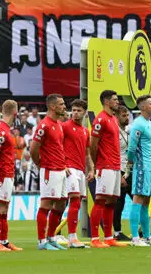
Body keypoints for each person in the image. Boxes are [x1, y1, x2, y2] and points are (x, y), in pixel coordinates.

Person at [88, 90, 128, 248]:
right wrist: (98, 162)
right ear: (106, 101)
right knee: (100, 200)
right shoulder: (100, 119)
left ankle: (109, 237)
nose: (117, 102)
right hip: (105, 165)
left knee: (111, 201)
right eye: (115, 100)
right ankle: (95, 238)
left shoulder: (113, 118)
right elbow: (93, 145)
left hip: (115, 165)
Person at [30, 93, 69, 251]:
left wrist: (64, 164)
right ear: (52, 106)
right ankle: (41, 242)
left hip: (61, 169)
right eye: (61, 104)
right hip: (50, 170)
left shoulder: (58, 124)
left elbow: (58, 148)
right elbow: (33, 149)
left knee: (60, 205)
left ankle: (51, 238)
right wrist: (40, 164)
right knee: (46, 205)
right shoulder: (44, 125)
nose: (64, 106)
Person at [0, 100, 24, 252]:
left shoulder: (4, 129)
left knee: (4, 208)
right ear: (15, 114)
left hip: (7, 174)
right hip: (1, 174)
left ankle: (4, 241)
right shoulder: (1, 130)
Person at [59, 99, 92, 249]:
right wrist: (63, 164)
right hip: (69, 168)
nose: (75, 113)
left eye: (79, 110)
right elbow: (57, 146)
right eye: (74, 110)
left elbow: (87, 154)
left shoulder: (86, 131)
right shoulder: (64, 127)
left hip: (80, 170)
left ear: (85, 112)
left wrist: (91, 169)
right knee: (74, 201)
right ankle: (71, 237)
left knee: (77, 203)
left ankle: (70, 236)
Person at [125, 95, 151, 247]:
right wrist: (132, 163)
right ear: (143, 107)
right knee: (137, 199)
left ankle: (147, 236)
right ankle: (135, 238)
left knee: (145, 201)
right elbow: (131, 148)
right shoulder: (138, 124)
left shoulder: (150, 123)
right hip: (142, 167)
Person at [112, 105, 132, 242]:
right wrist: (119, 175)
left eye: (127, 116)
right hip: (119, 170)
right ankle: (116, 232)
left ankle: (142, 230)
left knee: (140, 200)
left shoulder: (128, 132)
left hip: (130, 171)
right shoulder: (115, 133)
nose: (126, 118)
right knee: (119, 203)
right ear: (117, 117)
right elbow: (114, 154)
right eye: (123, 116)